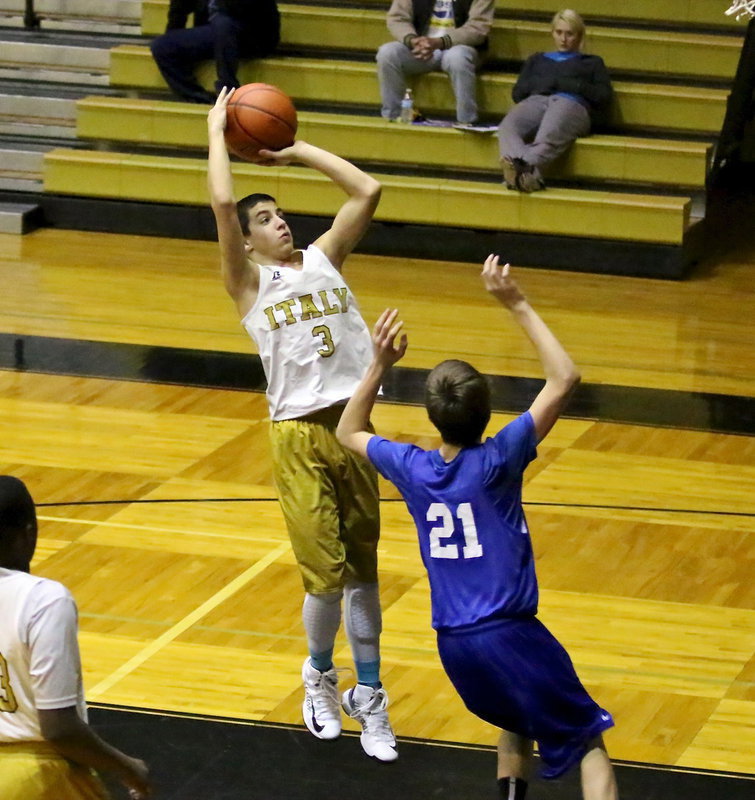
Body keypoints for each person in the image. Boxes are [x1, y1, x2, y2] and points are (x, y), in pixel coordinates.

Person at [336, 256, 620, 799]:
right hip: (511, 633)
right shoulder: (497, 462)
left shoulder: (415, 468)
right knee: (588, 739)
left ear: (432, 415)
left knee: (517, 718)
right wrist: (514, 302)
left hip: (455, 649)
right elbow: (565, 377)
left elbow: (350, 429)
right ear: (488, 411)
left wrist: (378, 364)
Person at [206, 87, 398, 762]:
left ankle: (369, 696)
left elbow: (367, 190)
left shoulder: (322, 260)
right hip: (295, 436)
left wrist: (295, 150)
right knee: (324, 574)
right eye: (265, 218)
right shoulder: (249, 285)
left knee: (364, 574)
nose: (277, 221)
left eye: (279, 212)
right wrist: (215, 132)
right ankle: (318, 675)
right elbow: (222, 204)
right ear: (249, 240)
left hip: (354, 426)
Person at [0, 476, 152, 800]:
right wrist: (126, 766)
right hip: (30, 778)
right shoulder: (43, 599)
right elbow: (59, 729)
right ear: (29, 534)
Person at [498, 9, 613, 192]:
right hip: (537, 100)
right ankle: (527, 177)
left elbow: (603, 96)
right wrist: (544, 85)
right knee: (508, 126)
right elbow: (518, 93)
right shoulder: (537, 59)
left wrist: (571, 85)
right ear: (552, 33)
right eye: (559, 32)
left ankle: (518, 170)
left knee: (549, 132)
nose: (563, 39)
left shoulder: (591, 62)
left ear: (579, 36)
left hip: (571, 103)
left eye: (569, 34)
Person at [376, 0, 494, 124]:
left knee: (458, 58)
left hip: (460, 46)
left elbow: (479, 27)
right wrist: (412, 40)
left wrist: (440, 42)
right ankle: (394, 117)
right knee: (387, 53)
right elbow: (397, 18)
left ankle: (467, 121)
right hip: (422, 46)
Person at [150, 0, 280, 104]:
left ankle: (228, 89)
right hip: (215, 32)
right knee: (162, 46)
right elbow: (178, 9)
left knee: (223, 22)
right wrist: (174, 39)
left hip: (253, 33)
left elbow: (248, 9)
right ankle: (201, 99)